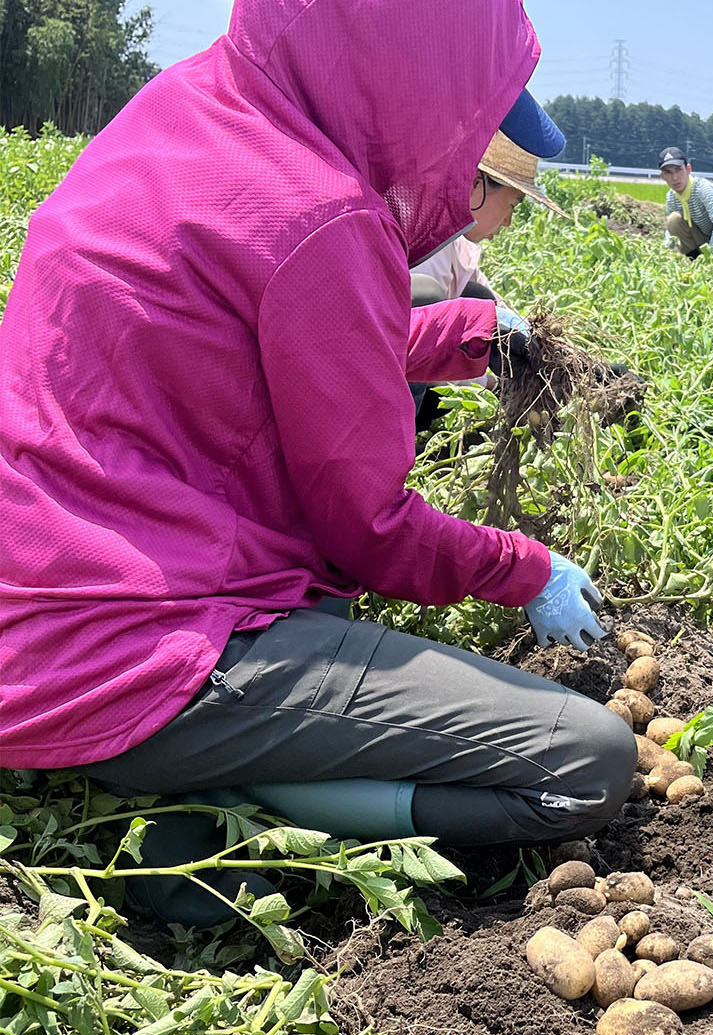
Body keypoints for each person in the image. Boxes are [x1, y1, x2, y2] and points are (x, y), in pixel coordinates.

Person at [0, 0, 636, 923]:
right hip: (138, 645)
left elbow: (278, 336)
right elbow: (367, 526)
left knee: (326, 605)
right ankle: (240, 825)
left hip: (36, 603)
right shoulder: (323, 213)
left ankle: (192, 773)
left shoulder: (184, 113)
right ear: (413, 80)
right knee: (588, 760)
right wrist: (525, 568)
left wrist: (474, 332)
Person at [409, 131, 569, 428]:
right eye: (512, 205)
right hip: (377, 375)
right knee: (425, 300)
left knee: (478, 299)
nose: (508, 221)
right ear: (475, 183)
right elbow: (424, 340)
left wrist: (552, 356)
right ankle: (399, 440)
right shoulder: (426, 244)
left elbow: (497, 310)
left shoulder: (458, 242)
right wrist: (494, 386)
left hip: (418, 369)